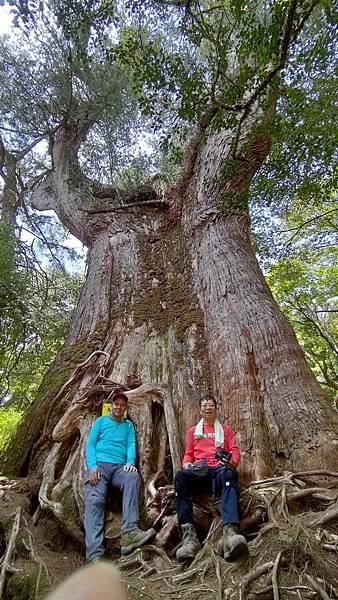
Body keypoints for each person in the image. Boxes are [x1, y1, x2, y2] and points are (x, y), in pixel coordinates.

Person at [84, 390, 156, 562]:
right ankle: (95, 553)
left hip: (119, 467)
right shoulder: (101, 421)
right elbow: (91, 444)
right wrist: (92, 466)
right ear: (111, 406)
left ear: (125, 408)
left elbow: (131, 444)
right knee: (95, 500)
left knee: (133, 477)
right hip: (100, 466)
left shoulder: (128, 425)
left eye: (122, 405)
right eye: (116, 404)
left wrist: (130, 462)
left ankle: (130, 532)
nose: (119, 407)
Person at [174, 394, 248, 561]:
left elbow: (234, 451)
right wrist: (187, 466)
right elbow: (188, 455)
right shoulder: (193, 431)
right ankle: (189, 538)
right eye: (204, 405)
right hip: (201, 471)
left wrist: (231, 461)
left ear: (216, 408)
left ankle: (230, 533)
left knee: (230, 474)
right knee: (180, 478)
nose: (208, 408)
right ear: (200, 409)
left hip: (220, 470)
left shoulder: (225, 429)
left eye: (211, 405)